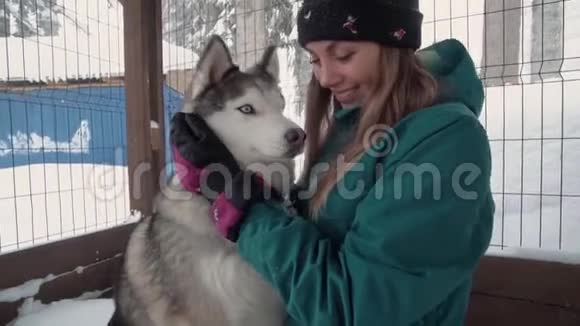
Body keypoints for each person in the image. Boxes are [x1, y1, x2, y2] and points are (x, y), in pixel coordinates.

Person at [170, 0, 495, 324]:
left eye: (343, 55)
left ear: (393, 44)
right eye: (314, 59)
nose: (325, 78)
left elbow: (354, 309)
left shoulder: (446, 140)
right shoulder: (352, 127)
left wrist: (243, 203)